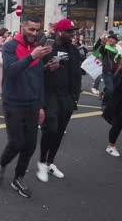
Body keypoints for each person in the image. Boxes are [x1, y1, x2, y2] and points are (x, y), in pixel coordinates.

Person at [0, 14, 51, 198]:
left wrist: (41, 105)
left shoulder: (36, 48)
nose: (34, 33)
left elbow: (37, 78)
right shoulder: (11, 46)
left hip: (33, 103)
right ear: (22, 28)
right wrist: (31, 56)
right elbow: (10, 71)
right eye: (31, 29)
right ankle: (2, 163)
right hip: (14, 103)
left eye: (37, 30)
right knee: (17, 143)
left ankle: (18, 178)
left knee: (31, 145)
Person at [36, 19, 81, 182]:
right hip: (49, 95)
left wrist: (75, 97)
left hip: (66, 96)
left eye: (73, 31)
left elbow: (76, 75)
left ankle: (50, 162)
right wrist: (45, 68)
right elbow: (34, 71)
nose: (72, 34)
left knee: (60, 131)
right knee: (50, 129)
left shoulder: (73, 50)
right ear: (60, 32)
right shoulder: (46, 47)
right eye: (69, 31)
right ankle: (41, 162)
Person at [95, 34, 121, 108]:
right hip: (107, 73)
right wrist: (101, 39)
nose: (111, 40)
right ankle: (104, 104)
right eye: (110, 38)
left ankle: (102, 92)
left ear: (116, 41)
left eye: (113, 39)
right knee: (110, 90)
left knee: (113, 88)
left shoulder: (119, 49)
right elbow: (98, 48)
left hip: (116, 73)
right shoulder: (106, 49)